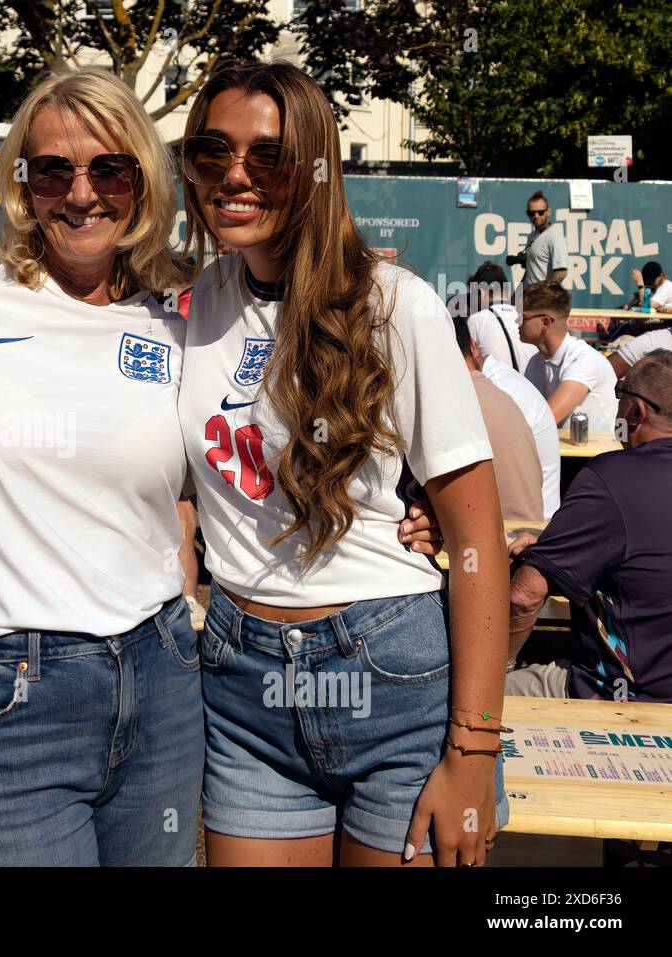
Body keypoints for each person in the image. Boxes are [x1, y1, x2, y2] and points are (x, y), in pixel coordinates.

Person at [0, 67, 450, 866]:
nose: (81, 194)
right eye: (53, 169)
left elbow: (249, 445)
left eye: (110, 169)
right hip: (4, 689)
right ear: (22, 182)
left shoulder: (180, 314)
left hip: (161, 671)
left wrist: (412, 496)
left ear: (143, 183)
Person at [179, 60, 508, 868]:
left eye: (268, 157)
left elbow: (476, 538)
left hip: (387, 669)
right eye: (212, 151)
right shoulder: (192, 302)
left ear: (316, 170)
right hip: (244, 682)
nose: (235, 175)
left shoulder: (397, 305)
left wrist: (473, 752)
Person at [507, 350, 672, 702]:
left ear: (636, 411)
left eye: (620, 394)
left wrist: (495, 668)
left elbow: (524, 596)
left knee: (453, 698)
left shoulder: (611, 476)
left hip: (622, 696)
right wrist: (554, 547)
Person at [452, 313, 544, 521]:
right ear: (474, 348)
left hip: (498, 543)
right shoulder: (504, 394)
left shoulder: (454, 401)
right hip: (530, 536)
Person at [473, 336, 561, 520]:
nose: (517, 321)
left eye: (524, 317)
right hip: (532, 521)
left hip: (529, 531)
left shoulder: (497, 389)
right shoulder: (508, 376)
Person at [519, 280, 618, 432]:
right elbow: (525, 413)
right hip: (564, 452)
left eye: (523, 317)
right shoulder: (535, 361)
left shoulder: (584, 360)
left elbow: (546, 419)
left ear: (545, 322)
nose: (517, 322)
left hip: (595, 455)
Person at [465, 262, 535, 373]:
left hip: (497, 388)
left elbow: (467, 364)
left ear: (481, 292)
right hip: (532, 388)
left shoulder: (477, 319)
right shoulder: (527, 317)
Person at [508, 190, 568, 286]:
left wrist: (541, 293)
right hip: (530, 297)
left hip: (544, 299)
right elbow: (529, 271)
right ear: (527, 214)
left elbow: (561, 273)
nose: (536, 216)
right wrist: (517, 295)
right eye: (532, 213)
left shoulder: (555, 237)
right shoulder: (532, 236)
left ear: (548, 212)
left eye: (540, 212)